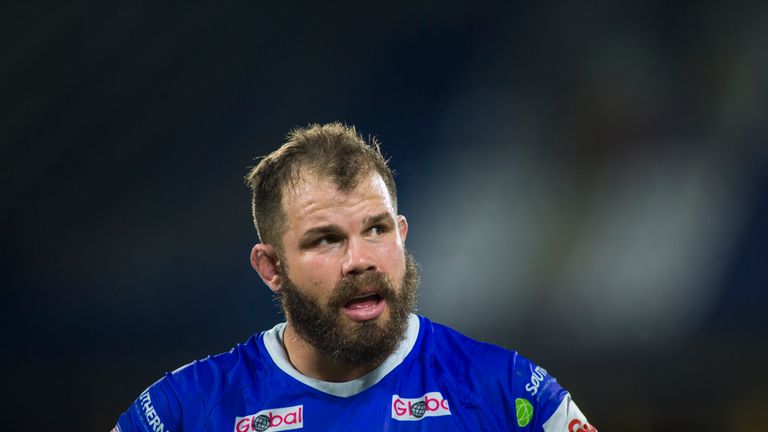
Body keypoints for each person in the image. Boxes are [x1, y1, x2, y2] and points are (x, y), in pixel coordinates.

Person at [114, 123, 596, 431]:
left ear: (402, 235)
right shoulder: (188, 410)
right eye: (326, 239)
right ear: (271, 268)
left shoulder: (504, 390)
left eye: (376, 229)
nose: (360, 260)